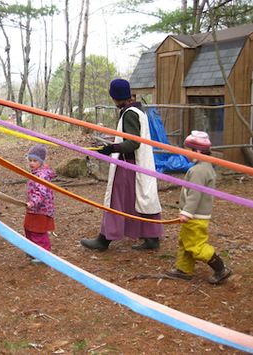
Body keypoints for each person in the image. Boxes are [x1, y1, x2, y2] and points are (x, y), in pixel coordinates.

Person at [81, 78, 163, 251]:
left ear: (116, 97)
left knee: (115, 200)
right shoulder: (137, 110)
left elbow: (133, 143)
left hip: (129, 164)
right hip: (135, 163)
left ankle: (104, 239)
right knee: (141, 198)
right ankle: (152, 237)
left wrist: (111, 148)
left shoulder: (130, 113)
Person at [167, 131, 232, 284]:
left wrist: (187, 213)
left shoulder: (198, 171)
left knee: (196, 246)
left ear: (197, 151)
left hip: (195, 217)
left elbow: (194, 194)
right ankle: (184, 269)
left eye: (187, 150)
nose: (185, 154)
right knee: (185, 242)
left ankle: (220, 269)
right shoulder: (205, 167)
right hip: (195, 216)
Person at [24, 144, 56, 264]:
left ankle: (44, 253)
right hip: (33, 209)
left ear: (41, 161)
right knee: (28, 228)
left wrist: (33, 202)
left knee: (38, 231)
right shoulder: (35, 172)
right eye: (30, 160)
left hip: (41, 209)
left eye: (35, 161)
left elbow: (41, 192)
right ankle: (34, 250)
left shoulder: (42, 175)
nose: (31, 163)